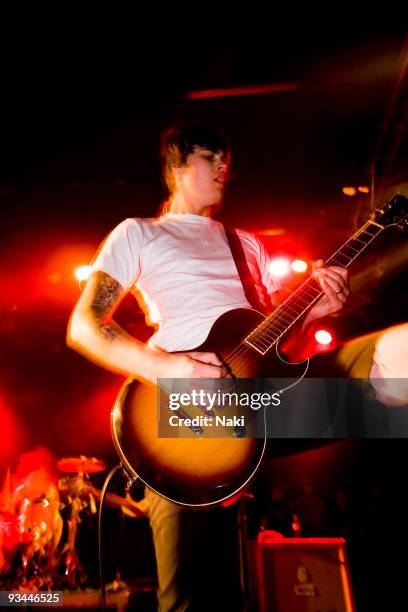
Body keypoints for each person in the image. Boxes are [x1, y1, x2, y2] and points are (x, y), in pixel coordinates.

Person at [66, 122, 403, 610]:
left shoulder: (248, 245)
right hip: (182, 418)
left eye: (227, 159)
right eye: (210, 157)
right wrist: (165, 369)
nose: (225, 166)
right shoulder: (139, 233)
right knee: (196, 600)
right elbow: (85, 326)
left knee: (397, 357)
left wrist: (313, 314)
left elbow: (273, 345)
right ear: (177, 168)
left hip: (260, 401)